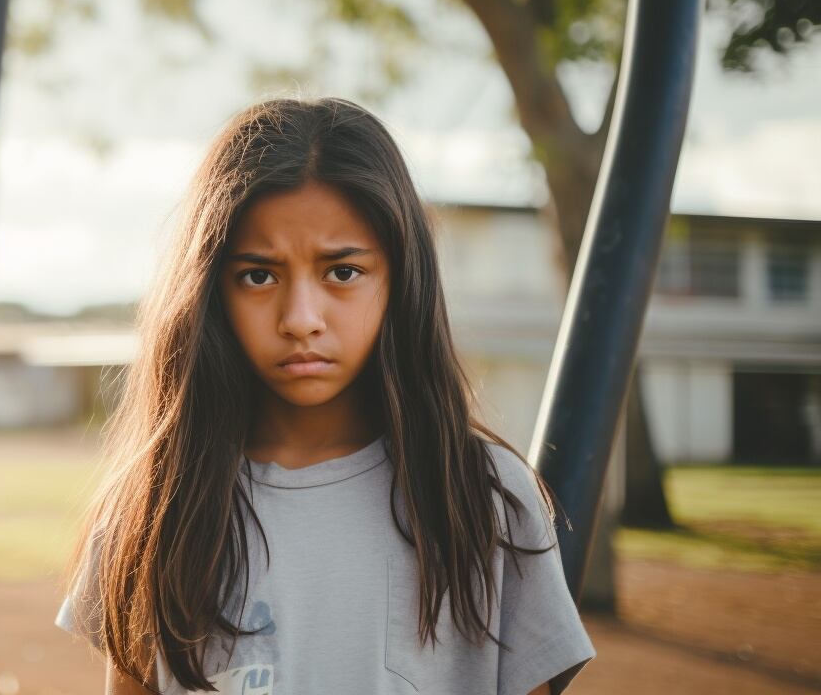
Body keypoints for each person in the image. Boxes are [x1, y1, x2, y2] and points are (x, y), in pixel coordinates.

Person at [53, 97, 596, 694]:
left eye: (342, 272)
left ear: (401, 278)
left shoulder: (486, 496)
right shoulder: (153, 507)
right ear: (210, 290)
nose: (301, 318)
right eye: (258, 275)